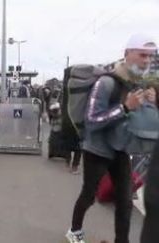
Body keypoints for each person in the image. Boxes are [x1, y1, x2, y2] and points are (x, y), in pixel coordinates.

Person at [66, 34, 157, 243]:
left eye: (151, 57)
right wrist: (125, 107)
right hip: (97, 149)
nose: (147, 61)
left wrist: (153, 103)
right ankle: (74, 230)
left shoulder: (137, 84)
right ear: (127, 54)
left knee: (124, 201)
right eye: (142, 55)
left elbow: (139, 119)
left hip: (120, 148)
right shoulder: (105, 83)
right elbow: (91, 121)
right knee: (88, 195)